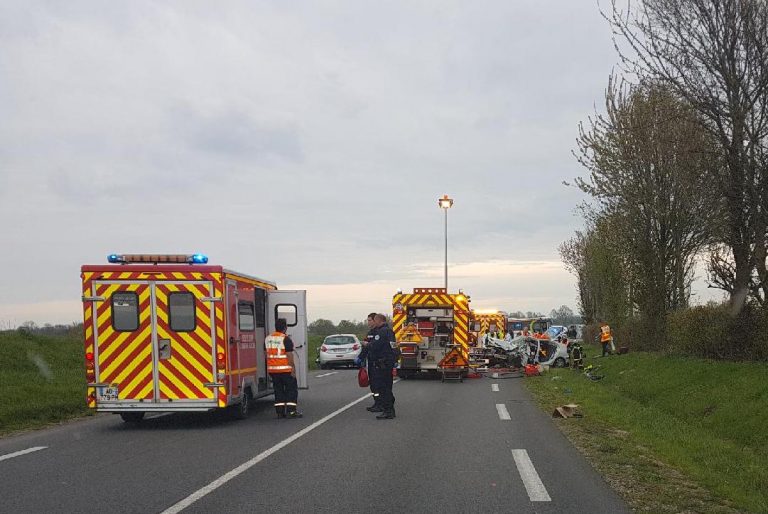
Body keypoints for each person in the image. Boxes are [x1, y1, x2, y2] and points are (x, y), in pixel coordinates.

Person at [266, 318, 302, 418]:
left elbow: (267, 353)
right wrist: (293, 369)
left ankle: (280, 412)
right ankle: (292, 411)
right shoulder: (285, 339)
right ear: (285, 328)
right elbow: (289, 355)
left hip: (273, 370)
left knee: (278, 391)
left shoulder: (268, 338)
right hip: (285, 370)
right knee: (291, 390)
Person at [368, 313, 397, 420]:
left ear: (379, 320)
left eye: (374, 321)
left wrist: (367, 344)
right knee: (387, 387)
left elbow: (375, 346)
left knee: (383, 388)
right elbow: (394, 347)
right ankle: (388, 409)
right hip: (388, 363)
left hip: (382, 364)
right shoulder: (389, 331)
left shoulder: (381, 332)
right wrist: (394, 359)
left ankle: (388, 411)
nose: (373, 323)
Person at [355, 313, 381, 411]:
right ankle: (376, 402)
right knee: (373, 384)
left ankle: (381, 403)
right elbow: (365, 348)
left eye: (370, 320)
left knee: (378, 384)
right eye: (368, 320)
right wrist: (360, 357)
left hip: (377, 362)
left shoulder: (379, 332)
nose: (368, 322)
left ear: (375, 321)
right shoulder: (370, 332)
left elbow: (376, 346)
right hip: (370, 362)